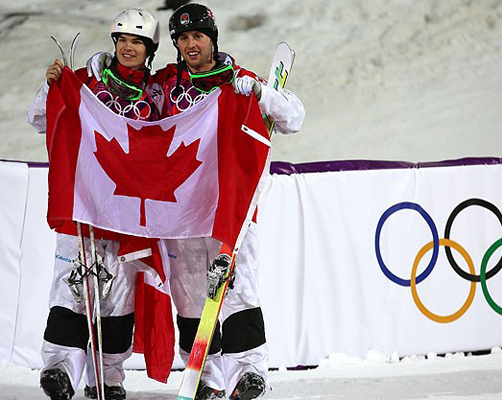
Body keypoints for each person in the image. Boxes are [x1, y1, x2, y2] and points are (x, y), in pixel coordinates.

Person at [157, 4, 304, 400]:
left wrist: (261, 92)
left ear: (212, 39)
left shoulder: (238, 81)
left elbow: (294, 117)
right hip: (180, 212)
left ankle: (248, 373)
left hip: (231, 208)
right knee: (189, 295)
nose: (191, 45)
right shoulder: (166, 86)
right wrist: (97, 69)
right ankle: (203, 377)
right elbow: (123, 103)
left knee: (238, 289)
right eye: (183, 38)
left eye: (198, 37)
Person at [27, 9, 162, 400]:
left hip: (128, 215)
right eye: (122, 40)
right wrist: (51, 87)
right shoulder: (85, 83)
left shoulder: (156, 96)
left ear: (149, 49)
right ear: (113, 43)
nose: (128, 48)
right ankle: (59, 371)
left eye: (137, 42)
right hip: (83, 207)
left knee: (117, 300)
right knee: (71, 291)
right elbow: (39, 118)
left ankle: (108, 377)